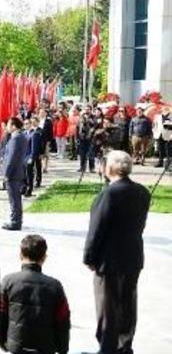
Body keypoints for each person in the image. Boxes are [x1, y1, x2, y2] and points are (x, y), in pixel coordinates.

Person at [83, 150, 151, 354]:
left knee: (108, 307)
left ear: (109, 168)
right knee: (127, 304)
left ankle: (107, 348)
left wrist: (88, 256)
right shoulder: (142, 192)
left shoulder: (108, 194)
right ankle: (125, 345)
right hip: (132, 255)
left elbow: (96, 229)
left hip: (109, 259)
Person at [0, 234, 70, 354]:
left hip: (16, 345)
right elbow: (63, 320)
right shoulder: (55, 286)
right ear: (44, 257)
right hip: (45, 347)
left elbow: (0, 314)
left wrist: (3, 342)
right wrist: (63, 348)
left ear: (21, 255)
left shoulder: (8, 281)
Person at [2, 117, 28, 230]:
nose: (7, 127)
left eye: (8, 124)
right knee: (16, 199)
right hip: (18, 171)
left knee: (14, 199)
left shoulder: (16, 139)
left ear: (14, 126)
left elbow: (12, 158)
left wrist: (6, 174)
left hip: (13, 173)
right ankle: (17, 220)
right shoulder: (21, 137)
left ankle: (15, 222)